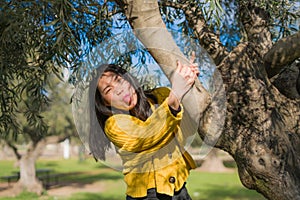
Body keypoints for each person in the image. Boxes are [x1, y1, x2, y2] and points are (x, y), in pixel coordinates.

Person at [89, 58, 199, 200]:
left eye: (118, 80)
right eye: (109, 90)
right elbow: (146, 136)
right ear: (104, 102)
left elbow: (187, 129)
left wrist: (190, 84)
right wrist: (174, 98)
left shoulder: (160, 96)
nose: (119, 90)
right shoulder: (113, 125)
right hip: (149, 195)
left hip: (179, 189)